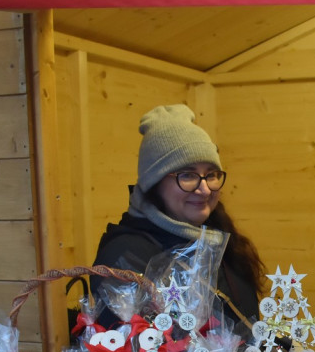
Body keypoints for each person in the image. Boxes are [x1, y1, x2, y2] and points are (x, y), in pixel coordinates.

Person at [92, 104, 266, 339]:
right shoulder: (125, 255)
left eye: (211, 174)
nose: (204, 188)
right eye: (187, 175)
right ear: (154, 183)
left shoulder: (219, 238)